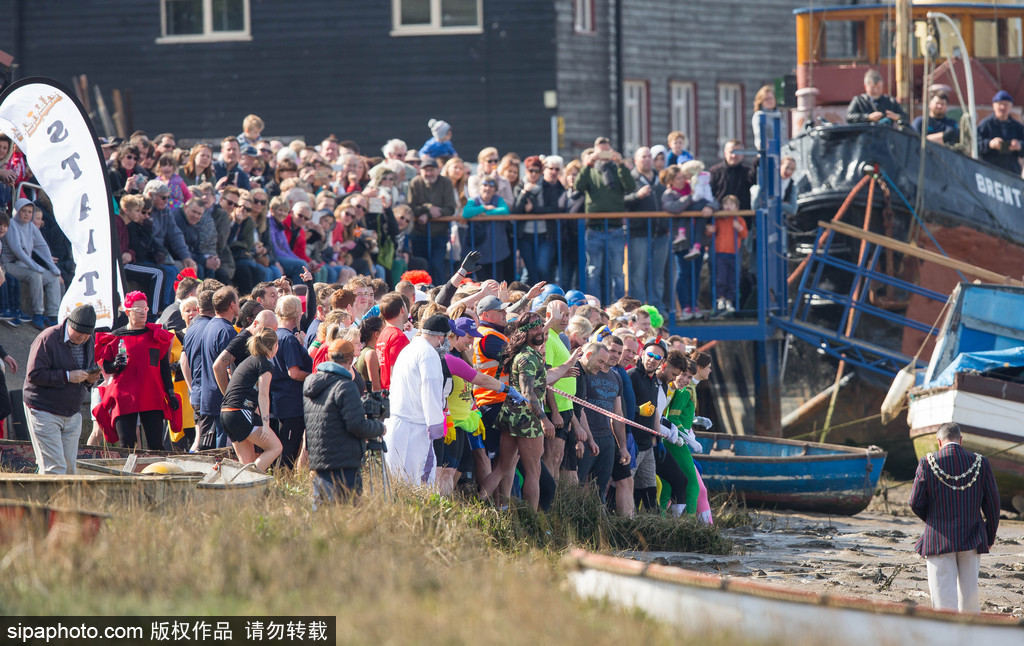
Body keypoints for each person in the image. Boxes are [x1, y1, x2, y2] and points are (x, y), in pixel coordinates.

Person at [479, 312, 581, 510]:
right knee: (533, 472)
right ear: (524, 332)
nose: (540, 330)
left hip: (512, 416)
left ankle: (478, 505)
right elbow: (528, 393)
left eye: (541, 326)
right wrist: (544, 418)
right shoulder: (528, 357)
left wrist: (566, 365)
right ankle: (532, 518)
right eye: (534, 328)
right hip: (527, 419)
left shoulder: (527, 355)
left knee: (502, 468)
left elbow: (543, 379)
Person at [909, 422, 1000, 613]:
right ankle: (969, 631)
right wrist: (989, 537)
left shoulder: (927, 462)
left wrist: (933, 520)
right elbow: (993, 505)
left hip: (938, 539)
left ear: (939, 441)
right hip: (973, 537)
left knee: (943, 600)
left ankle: (946, 631)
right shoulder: (981, 462)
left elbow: (915, 502)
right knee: (969, 598)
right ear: (961, 440)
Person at [304, 338, 387, 505]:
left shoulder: (311, 382)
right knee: (346, 512)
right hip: (343, 462)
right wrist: (379, 428)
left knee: (322, 512)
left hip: (318, 460)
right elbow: (356, 425)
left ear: (328, 357)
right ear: (351, 360)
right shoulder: (345, 386)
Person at [92, 292, 179, 450]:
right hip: (124, 396)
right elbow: (106, 367)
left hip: (152, 394)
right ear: (127, 312)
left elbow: (164, 367)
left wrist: (170, 392)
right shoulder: (116, 336)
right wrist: (115, 364)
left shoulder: (156, 335)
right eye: (138, 309)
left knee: (156, 446)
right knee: (126, 445)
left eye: (145, 309)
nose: (143, 312)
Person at [23, 305, 102, 474]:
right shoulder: (47, 338)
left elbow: (84, 371)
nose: (82, 337)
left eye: (87, 334)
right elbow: (34, 374)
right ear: (69, 324)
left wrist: (89, 380)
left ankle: (60, 493)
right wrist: (67, 376)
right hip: (43, 409)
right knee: (55, 468)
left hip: (72, 412)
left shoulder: (89, 340)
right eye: (79, 332)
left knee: (70, 469)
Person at [384, 314, 452, 485]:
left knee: (396, 479)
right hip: (416, 426)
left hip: (397, 419)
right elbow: (431, 389)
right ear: (440, 337)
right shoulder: (429, 354)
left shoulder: (409, 348)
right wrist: (436, 426)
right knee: (421, 480)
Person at [575, 137, 636, 304]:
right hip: (595, 229)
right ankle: (595, 306)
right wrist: (588, 164)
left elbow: (630, 187)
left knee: (618, 273)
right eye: (600, 152)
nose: (604, 155)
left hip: (615, 229)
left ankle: (620, 307)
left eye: (606, 151)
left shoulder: (617, 169)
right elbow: (578, 186)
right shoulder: (590, 170)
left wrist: (621, 164)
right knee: (593, 271)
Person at [219, 328, 283, 473]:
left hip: (226, 413)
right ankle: (250, 477)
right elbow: (263, 395)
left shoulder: (249, 361)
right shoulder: (265, 364)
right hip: (239, 412)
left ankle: (243, 482)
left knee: (246, 463)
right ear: (274, 346)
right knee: (275, 447)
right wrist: (266, 425)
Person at [1, 198, 62, 329]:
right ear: (18, 211)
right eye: (24, 211)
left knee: (53, 277)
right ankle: (37, 314)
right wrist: (35, 266)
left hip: (24, 265)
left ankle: (53, 315)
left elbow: (42, 246)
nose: (27, 214)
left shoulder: (31, 227)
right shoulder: (12, 224)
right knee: (35, 275)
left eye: (29, 212)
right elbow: (17, 250)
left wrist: (52, 266)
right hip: (9, 264)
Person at [270, 294, 312, 468]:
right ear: (297, 314)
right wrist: (315, 377)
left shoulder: (277, 335)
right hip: (291, 404)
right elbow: (294, 373)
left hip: (280, 400)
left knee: (285, 451)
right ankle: (283, 482)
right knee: (288, 453)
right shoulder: (287, 339)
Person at [624, 146, 668, 315]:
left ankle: (657, 310)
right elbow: (622, 201)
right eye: (644, 156)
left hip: (660, 234)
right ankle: (639, 311)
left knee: (658, 277)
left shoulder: (660, 179)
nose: (648, 159)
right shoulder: (630, 180)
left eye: (649, 156)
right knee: (637, 275)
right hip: (639, 233)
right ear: (636, 160)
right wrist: (637, 195)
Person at [407, 158, 456, 283]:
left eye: (432, 170)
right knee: (421, 265)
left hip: (439, 233)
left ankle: (440, 291)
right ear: (420, 171)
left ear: (438, 170)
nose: (429, 173)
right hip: (419, 232)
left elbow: (450, 208)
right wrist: (428, 208)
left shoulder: (446, 182)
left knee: (437, 264)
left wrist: (432, 213)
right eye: (426, 170)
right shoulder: (415, 182)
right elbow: (411, 207)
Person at [706, 195, 748, 317]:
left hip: (733, 253)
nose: (728, 207)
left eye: (731, 204)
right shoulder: (719, 219)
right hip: (720, 253)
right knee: (720, 277)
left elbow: (745, 234)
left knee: (733, 277)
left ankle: (730, 300)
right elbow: (710, 233)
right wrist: (710, 230)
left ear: (737, 207)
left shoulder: (739, 220)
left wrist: (739, 227)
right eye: (726, 204)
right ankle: (720, 298)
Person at [977, 90, 1024, 174]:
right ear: (993, 106)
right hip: (989, 172)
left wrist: (1019, 146)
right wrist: (989, 144)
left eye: (1006, 104)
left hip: (1011, 173)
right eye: (1000, 104)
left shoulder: (1017, 127)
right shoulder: (985, 125)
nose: (1003, 107)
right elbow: (974, 146)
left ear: (1010, 106)